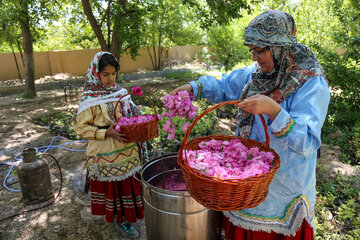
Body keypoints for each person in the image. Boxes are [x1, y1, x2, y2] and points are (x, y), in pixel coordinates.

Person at [170, 10, 330, 240]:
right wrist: (193, 88)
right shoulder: (258, 76)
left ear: (279, 47)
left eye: (260, 50)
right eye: (251, 50)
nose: (254, 57)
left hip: (284, 191)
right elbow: (225, 85)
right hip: (246, 185)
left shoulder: (311, 84)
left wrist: (274, 111)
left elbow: (307, 142)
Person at [76, 52, 145, 239]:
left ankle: (130, 214)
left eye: (113, 74)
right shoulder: (89, 98)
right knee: (114, 188)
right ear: (96, 73)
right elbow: (81, 129)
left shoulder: (120, 92)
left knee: (128, 185)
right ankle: (120, 218)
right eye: (105, 74)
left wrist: (141, 120)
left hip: (127, 149)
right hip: (106, 153)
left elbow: (132, 113)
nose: (110, 78)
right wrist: (106, 131)